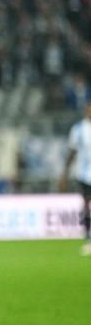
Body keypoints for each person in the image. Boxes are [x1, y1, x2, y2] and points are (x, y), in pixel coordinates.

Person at [60, 100, 91, 255]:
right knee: (86, 206)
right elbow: (72, 153)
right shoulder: (78, 129)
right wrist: (64, 174)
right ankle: (88, 238)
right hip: (84, 174)